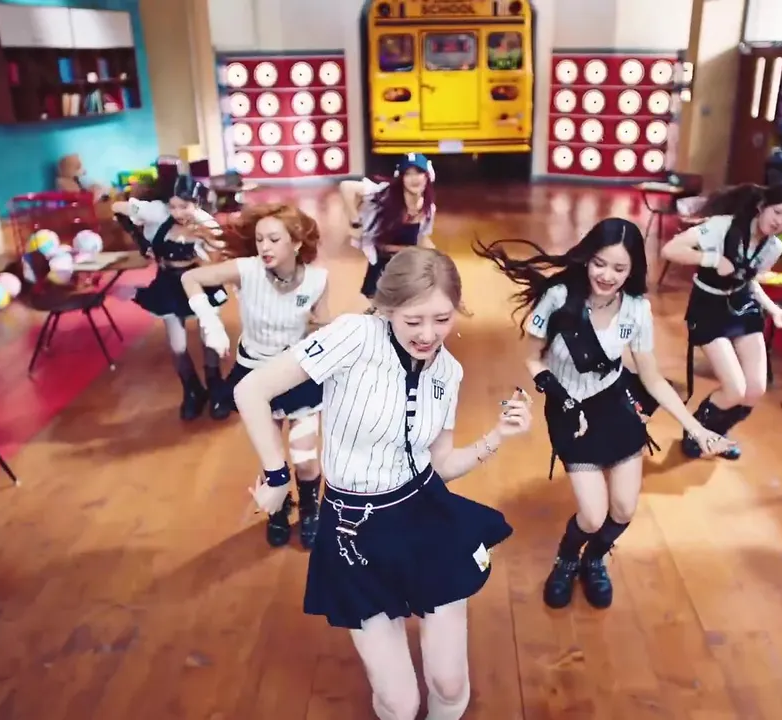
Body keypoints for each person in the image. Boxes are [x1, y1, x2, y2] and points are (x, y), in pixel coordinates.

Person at [233, 247, 531, 720]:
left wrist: (497, 437)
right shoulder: (353, 335)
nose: (428, 334)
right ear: (388, 307)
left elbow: (441, 464)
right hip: (354, 530)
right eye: (414, 320)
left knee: (449, 683)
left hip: (425, 514)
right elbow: (251, 389)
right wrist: (275, 476)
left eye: (442, 319)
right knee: (399, 701)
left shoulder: (448, 371)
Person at [475, 217, 732, 610]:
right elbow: (532, 357)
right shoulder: (560, 297)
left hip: (613, 404)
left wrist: (696, 428)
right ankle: (566, 559)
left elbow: (652, 378)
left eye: (619, 268)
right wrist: (561, 398)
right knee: (592, 516)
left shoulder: (637, 310)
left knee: (624, 508)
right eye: (599, 263)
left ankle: (594, 559)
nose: (607, 275)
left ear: (632, 271)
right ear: (587, 258)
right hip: (567, 407)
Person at [180, 203, 330, 550]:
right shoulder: (247, 270)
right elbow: (190, 279)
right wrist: (210, 321)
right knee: (270, 456)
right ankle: (278, 507)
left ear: (296, 243)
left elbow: (321, 325)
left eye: (274, 239)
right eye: (260, 239)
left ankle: (310, 508)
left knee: (306, 459)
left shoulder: (318, 279)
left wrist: (329, 334)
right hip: (255, 375)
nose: (264, 246)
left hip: (297, 373)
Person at [660, 182, 782, 460]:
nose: (779, 222)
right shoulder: (722, 226)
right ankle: (696, 433)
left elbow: (750, 280)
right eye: (777, 212)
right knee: (735, 389)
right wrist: (712, 259)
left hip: (742, 307)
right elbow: (671, 250)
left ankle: (717, 435)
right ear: (761, 206)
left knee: (755, 389)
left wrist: (773, 310)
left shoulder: (773, 247)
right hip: (708, 308)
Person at [112, 175, 232, 421]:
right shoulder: (158, 217)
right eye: (173, 206)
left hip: (199, 280)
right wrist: (139, 238)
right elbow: (118, 207)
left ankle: (215, 386)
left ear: (197, 203)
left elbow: (216, 261)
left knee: (208, 336)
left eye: (184, 206)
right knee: (177, 345)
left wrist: (204, 246)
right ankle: (192, 389)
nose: (177, 212)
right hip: (168, 282)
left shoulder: (206, 225)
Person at [339, 153, 437, 301]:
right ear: (401, 178)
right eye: (408, 174)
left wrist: (438, 261)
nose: (414, 178)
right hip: (383, 267)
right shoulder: (385, 195)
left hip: (408, 268)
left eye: (419, 172)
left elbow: (422, 239)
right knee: (375, 305)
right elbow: (346, 186)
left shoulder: (428, 209)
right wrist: (355, 221)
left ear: (428, 176)